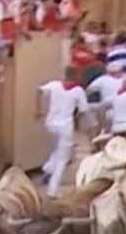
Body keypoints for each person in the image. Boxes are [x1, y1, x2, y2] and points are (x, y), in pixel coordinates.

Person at [37, 67, 89, 196]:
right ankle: (52, 190)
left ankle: (48, 168)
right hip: (65, 125)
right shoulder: (78, 90)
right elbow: (82, 111)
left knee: (55, 149)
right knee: (62, 158)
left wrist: (38, 110)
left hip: (50, 123)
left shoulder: (54, 85)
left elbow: (39, 91)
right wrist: (78, 127)